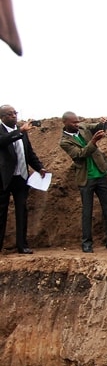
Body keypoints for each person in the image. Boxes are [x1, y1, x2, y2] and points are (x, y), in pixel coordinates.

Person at [59, 112, 107, 253]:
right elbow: (80, 154)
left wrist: (103, 123)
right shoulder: (64, 141)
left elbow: (96, 126)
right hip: (86, 178)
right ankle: (87, 243)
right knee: (87, 211)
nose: (77, 125)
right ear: (65, 123)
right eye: (73, 123)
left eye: (78, 122)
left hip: (100, 173)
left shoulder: (83, 127)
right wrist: (93, 142)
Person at [0, 105, 46, 254]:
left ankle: (22, 245)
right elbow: (3, 141)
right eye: (10, 114)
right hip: (4, 179)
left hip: (21, 178)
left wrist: (39, 168)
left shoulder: (22, 132)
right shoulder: (14, 131)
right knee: (2, 213)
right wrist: (20, 131)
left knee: (22, 211)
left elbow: (29, 153)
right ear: (2, 117)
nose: (14, 116)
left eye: (15, 113)